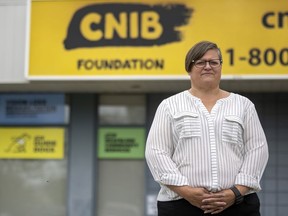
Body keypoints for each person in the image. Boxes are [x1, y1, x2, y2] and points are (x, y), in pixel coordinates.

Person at [145, 41, 269, 216]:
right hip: (181, 205)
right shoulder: (169, 106)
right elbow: (156, 152)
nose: (208, 67)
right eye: (200, 62)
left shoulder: (243, 105)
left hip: (238, 205)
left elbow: (257, 150)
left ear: (220, 66)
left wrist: (234, 192)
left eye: (213, 62)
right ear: (189, 68)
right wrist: (187, 192)